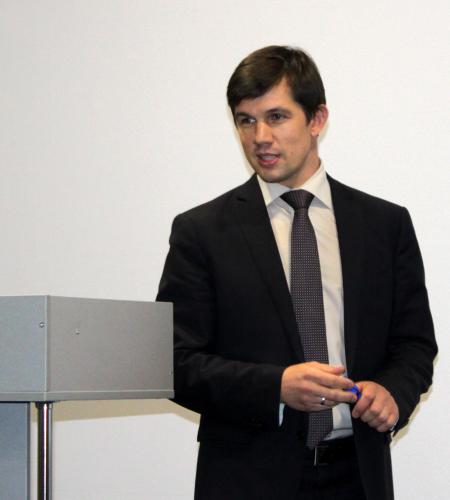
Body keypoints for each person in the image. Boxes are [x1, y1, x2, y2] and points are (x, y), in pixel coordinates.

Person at [157, 45, 437, 500]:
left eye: (276, 117)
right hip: (246, 480)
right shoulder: (201, 232)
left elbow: (415, 344)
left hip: (358, 478)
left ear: (317, 119)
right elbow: (173, 361)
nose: (260, 136)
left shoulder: (384, 225)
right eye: (245, 120)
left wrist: (391, 393)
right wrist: (276, 387)